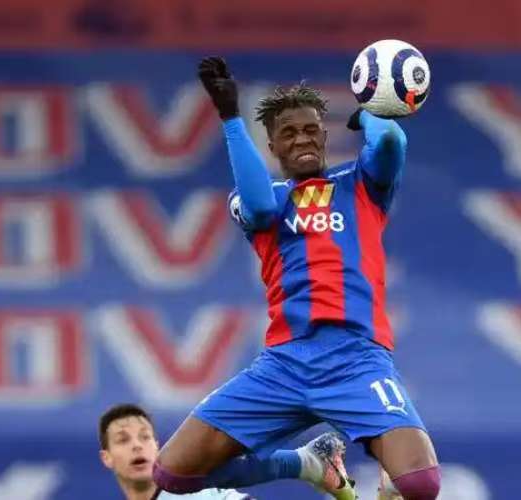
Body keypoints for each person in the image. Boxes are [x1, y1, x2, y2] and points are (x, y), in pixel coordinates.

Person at [152, 56, 440, 500]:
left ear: (324, 136)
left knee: (421, 484)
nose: (301, 139)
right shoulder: (262, 198)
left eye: (310, 130)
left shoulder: (360, 185)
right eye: (288, 133)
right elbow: (259, 208)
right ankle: (307, 463)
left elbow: (389, 143)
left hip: (356, 359)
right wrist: (230, 117)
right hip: (284, 365)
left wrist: (370, 112)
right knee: (172, 475)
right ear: (272, 147)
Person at [98, 403, 253, 499]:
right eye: (123, 440)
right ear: (106, 457)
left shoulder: (194, 492)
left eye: (145, 437)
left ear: (157, 447)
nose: (137, 445)